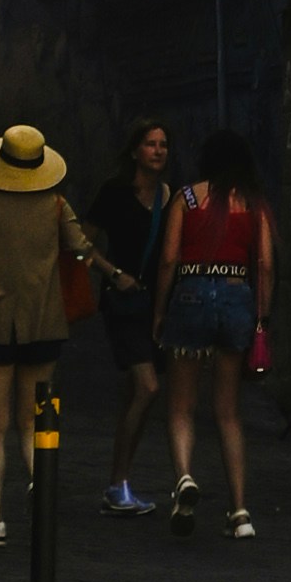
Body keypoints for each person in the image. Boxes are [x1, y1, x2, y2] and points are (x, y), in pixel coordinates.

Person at [0, 119, 100, 543]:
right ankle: (40, 486)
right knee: (34, 422)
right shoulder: (55, 204)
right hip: (43, 323)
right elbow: (80, 250)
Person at [149, 132, 274, 541]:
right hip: (237, 295)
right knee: (228, 412)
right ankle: (240, 512)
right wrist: (261, 316)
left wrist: (161, 310)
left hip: (189, 292)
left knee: (181, 406)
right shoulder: (253, 204)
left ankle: (184, 477)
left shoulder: (185, 198)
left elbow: (169, 258)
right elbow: (266, 265)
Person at [88, 115, 174, 513]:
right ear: (135, 151)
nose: (158, 151)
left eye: (163, 145)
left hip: (155, 306)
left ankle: (119, 481)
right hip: (123, 303)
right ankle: (118, 483)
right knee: (148, 387)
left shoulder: (168, 196)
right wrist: (113, 274)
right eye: (151, 144)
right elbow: (81, 245)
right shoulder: (114, 193)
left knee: (136, 396)